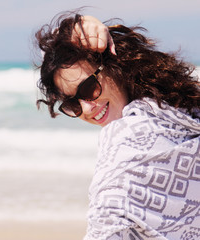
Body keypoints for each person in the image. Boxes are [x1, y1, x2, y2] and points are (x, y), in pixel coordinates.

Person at [34, 10, 200, 240]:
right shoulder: (181, 110)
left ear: (115, 65)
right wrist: (79, 26)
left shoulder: (127, 136)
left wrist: (78, 27)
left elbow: (106, 222)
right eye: (73, 103)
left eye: (88, 88)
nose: (88, 108)